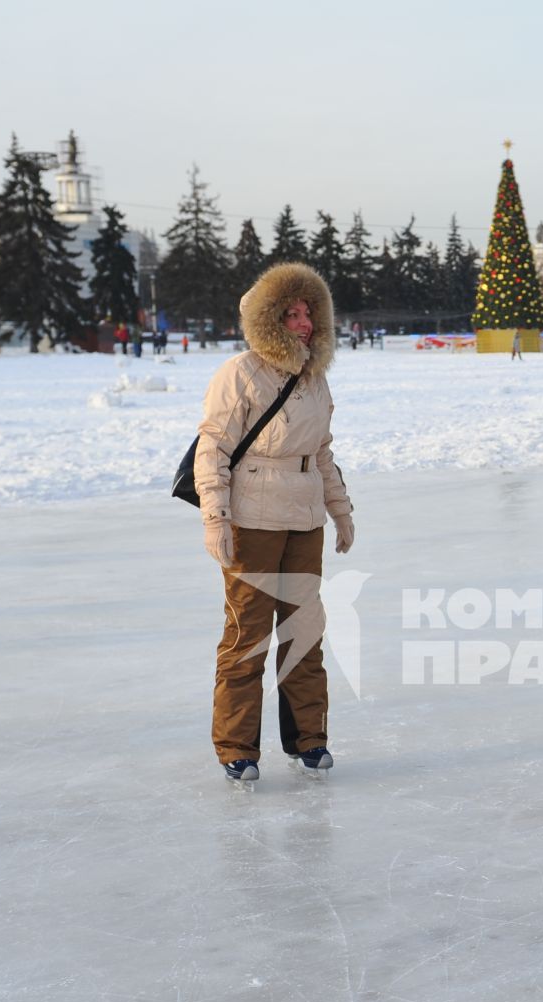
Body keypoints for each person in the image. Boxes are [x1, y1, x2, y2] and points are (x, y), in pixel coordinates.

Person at [193, 263, 355, 783]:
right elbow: (212, 448)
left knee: (304, 632)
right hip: (253, 522)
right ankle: (237, 746)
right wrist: (216, 517)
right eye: (292, 313)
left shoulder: (315, 378)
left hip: (304, 521)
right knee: (248, 637)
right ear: (271, 320)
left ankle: (310, 740)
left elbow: (322, 452)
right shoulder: (240, 374)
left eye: (309, 313)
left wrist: (341, 511)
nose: (304, 322)